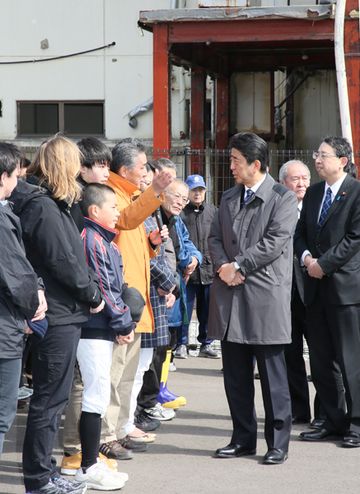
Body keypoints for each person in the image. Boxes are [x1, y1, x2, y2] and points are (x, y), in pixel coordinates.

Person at [11, 135, 103, 494]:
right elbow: (64, 262)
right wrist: (93, 294)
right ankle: (39, 478)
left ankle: (43, 473)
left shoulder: (49, 203)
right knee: (49, 401)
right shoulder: (45, 207)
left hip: (62, 311)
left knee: (51, 399)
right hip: (59, 314)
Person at [209, 132, 298, 465]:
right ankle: (242, 438)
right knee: (235, 376)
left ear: (255, 164)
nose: (230, 165)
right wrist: (222, 267)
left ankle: (278, 442)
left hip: (264, 297)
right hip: (230, 296)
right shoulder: (229, 196)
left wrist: (239, 265)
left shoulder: (282, 198)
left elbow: (274, 242)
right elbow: (215, 237)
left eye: (235, 160)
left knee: (273, 377)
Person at [99, 139, 174, 459]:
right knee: (114, 376)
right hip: (121, 301)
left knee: (127, 375)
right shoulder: (111, 196)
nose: (146, 172)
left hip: (134, 300)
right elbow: (125, 221)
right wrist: (155, 190)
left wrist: (152, 243)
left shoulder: (128, 195)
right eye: (143, 167)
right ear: (125, 169)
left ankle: (119, 429)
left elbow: (133, 246)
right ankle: (105, 435)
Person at [73, 183, 141, 490]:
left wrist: (122, 322)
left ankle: (91, 463)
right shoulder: (93, 242)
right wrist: (124, 324)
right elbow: (105, 289)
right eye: (113, 207)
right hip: (93, 328)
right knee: (96, 393)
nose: (118, 212)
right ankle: (87, 466)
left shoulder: (105, 241)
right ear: (94, 211)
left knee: (98, 393)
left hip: (102, 326)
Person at [294, 136, 360, 447]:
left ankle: (356, 423)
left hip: (346, 291)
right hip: (315, 289)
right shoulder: (314, 193)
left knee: (351, 360)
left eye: (324, 155)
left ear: (343, 160)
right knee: (321, 360)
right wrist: (308, 259)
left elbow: (354, 238)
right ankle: (332, 420)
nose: (317, 160)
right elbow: (301, 233)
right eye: (316, 154)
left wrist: (325, 264)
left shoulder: (357, 193)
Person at [61, 138, 120, 474]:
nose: (104, 170)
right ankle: (75, 449)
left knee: (91, 385)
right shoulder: (76, 204)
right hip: (83, 310)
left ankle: (87, 449)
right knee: (82, 385)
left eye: (106, 164)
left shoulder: (91, 199)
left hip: (93, 308)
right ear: (80, 168)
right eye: (98, 164)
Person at [0, 142, 45, 455]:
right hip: (4, 331)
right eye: (17, 175)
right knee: (2, 416)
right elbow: (16, 275)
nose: (19, 183)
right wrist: (34, 308)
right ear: (3, 177)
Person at [134, 162, 177, 428]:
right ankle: (136, 415)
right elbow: (140, 255)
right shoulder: (133, 208)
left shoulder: (152, 209)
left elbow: (162, 250)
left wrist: (170, 284)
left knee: (147, 361)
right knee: (137, 367)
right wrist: (168, 281)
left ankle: (141, 411)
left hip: (156, 291)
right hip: (144, 291)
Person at [157, 179, 202, 407]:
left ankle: (161, 388)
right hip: (163, 289)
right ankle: (153, 395)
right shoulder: (155, 218)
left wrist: (195, 258)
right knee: (158, 346)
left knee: (169, 342)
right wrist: (170, 285)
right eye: (177, 197)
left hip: (176, 288)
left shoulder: (177, 220)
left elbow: (187, 245)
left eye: (184, 199)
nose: (181, 203)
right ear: (163, 193)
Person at [279, 160, 312, 423]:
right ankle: (299, 411)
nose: (301, 184)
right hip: (284, 294)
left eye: (305, 178)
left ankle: (328, 414)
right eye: (295, 179)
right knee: (291, 356)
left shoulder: (316, 207)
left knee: (324, 357)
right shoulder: (277, 209)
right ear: (282, 183)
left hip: (314, 293)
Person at [180, 174, 219, 358]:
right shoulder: (181, 212)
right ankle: (181, 343)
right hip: (187, 269)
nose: (197, 193)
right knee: (184, 309)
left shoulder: (213, 211)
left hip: (209, 268)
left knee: (208, 311)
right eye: (193, 190)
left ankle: (206, 343)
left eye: (200, 190)